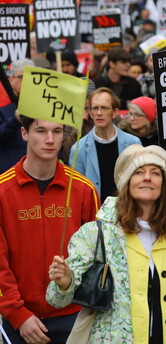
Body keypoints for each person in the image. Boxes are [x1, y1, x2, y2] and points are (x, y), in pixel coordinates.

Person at [47, 144, 166, 343]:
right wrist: (65, 281)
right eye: (138, 172)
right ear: (126, 182)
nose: (147, 177)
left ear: (163, 185)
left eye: (155, 173)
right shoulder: (96, 233)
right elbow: (55, 299)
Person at [0, 116, 100, 344]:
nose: (49, 139)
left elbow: (97, 258)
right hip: (21, 320)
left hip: (75, 317)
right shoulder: (3, 191)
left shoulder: (84, 191)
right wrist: (18, 314)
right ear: (24, 133)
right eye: (41, 131)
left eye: (57, 131)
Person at [70, 88, 141, 201]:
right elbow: (76, 190)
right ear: (91, 113)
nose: (99, 113)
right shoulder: (79, 149)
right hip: (95, 212)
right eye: (95, 108)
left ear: (114, 112)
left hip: (127, 210)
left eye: (104, 108)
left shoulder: (133, 143)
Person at [0, 58, 31, 173]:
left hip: (36, 175)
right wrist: (14, 120)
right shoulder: (3, 105)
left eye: (31, 77)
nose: (27, 81)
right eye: (22, 77)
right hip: (8, 174)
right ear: (11, 80)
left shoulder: (41, 106)